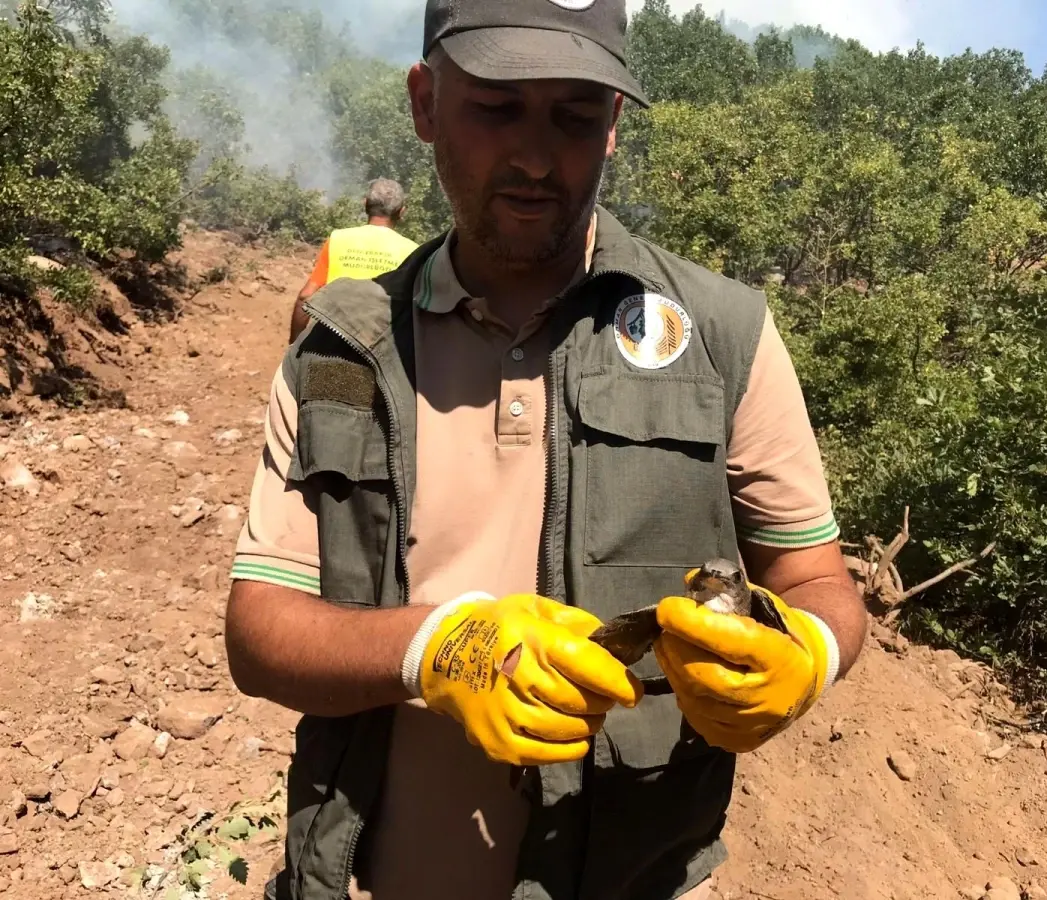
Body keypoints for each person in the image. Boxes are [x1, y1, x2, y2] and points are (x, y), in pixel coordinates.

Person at [224, 0, 869, 898]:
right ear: (424, 102)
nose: (534, 156)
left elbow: (819, 583)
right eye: (496, 106)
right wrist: (437, 649)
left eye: (574, 115)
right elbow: (259, 636)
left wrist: (808, 655)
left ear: (611, 128)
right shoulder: (341, 351)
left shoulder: (725, 335)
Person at [287, 177, 419, 342]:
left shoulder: (338, 239)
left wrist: (293, 344)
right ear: (401, 212)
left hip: (327, 343)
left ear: (365, 205)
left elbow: (306, 296)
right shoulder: (413, 252)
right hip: (378, 351)